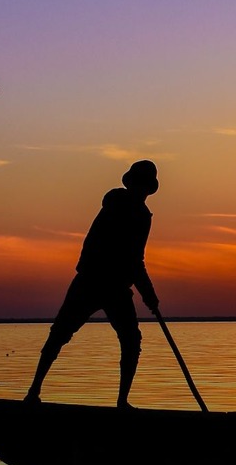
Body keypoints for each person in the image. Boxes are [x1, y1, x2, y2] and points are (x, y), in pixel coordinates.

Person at [26, 160, 162, 407]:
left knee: (132, 340)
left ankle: (122, 401)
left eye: (143, 185)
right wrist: (147, 292)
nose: (139, 189)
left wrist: (148, 294)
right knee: (59, 334)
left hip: (118, 288)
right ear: (131, 183)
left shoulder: (143, 217)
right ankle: (33, 392)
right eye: (137, 183)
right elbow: (129, 256)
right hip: (90, 281)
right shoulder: (116, 202)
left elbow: (136, 259)